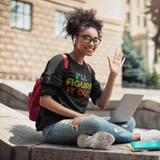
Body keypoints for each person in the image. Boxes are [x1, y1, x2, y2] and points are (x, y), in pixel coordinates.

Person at [36, 7, 160, 150]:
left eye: (96, 40)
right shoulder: (59, 61)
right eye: (87, 38)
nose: (92, 43)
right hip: (54, 127)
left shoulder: (88, 70)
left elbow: (101, 103)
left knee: (129, 122)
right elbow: (44, 101)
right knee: (94, 122)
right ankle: (138, 137)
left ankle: (88, 139)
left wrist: (113, 75)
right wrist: (80, 116)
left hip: (78, 123)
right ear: (75, 38)